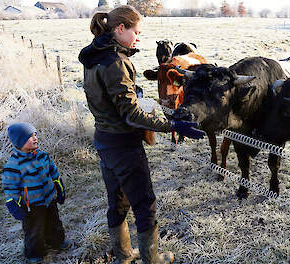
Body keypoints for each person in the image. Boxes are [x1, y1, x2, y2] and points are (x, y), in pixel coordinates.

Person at [78, 5, 205, 264]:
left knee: (118, 202)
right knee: (145, 203)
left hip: (104, 139)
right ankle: (151, 258)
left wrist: (133, 96)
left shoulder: (95, 55)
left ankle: (124, 256)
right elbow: (131, 115)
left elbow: (108, 100)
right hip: (124, 145)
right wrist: (173, 126)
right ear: (120, 29)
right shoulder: (116, 62)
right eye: (136, 31)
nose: (139, 37)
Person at [2, 122, 71, 264]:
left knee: (54, 222)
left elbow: (54, 172)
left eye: (35, 135)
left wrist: (59, 186)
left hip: (49, 199)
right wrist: (14, 204)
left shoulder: (43, 156)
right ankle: (34, 252)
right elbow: (10, 188)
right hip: (31, 205)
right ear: (19, 142)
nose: (35, 139)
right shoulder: (14, 165)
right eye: (30, 137)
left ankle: (56, 242)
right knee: (34, 230)